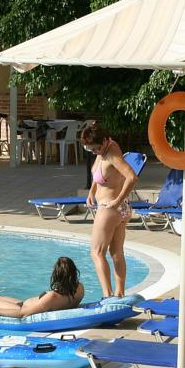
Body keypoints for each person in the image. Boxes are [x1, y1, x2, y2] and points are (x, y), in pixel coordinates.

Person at [81, 122, 138, 298]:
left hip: (110, 208)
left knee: (96, 252)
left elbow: (132, 177)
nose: (94, 152)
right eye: (90, 149)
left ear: (105, 141)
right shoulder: (105, 149)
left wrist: (116, 200)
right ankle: (120, 294)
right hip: (120, 210)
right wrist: (92, 192)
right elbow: (98, 175)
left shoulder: (112, 154)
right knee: (116, 253)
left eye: (96, 148)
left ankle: (108, 295)